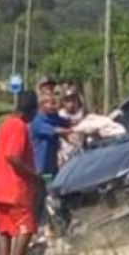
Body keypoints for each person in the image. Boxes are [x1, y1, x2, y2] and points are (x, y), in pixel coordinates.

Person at [0, 90, 42, 255]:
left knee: (5, 231)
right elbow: (13, 156)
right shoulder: (19, 127)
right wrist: (33, 176)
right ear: (31, 110)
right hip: (15, 188)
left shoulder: (5, 125)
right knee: (26, 228)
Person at [29, 91, 72, 239]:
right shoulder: (38, 122)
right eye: (50, 103)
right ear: (42, 105)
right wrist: (72, 131)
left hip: (51, 167)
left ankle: (50, 227)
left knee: (52, 194)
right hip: (40, 168)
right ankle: (38, 228)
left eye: (55, 103)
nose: (54, 106)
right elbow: (57, 130)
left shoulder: (54, 118)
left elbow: (66, 122)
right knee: (42, 197)